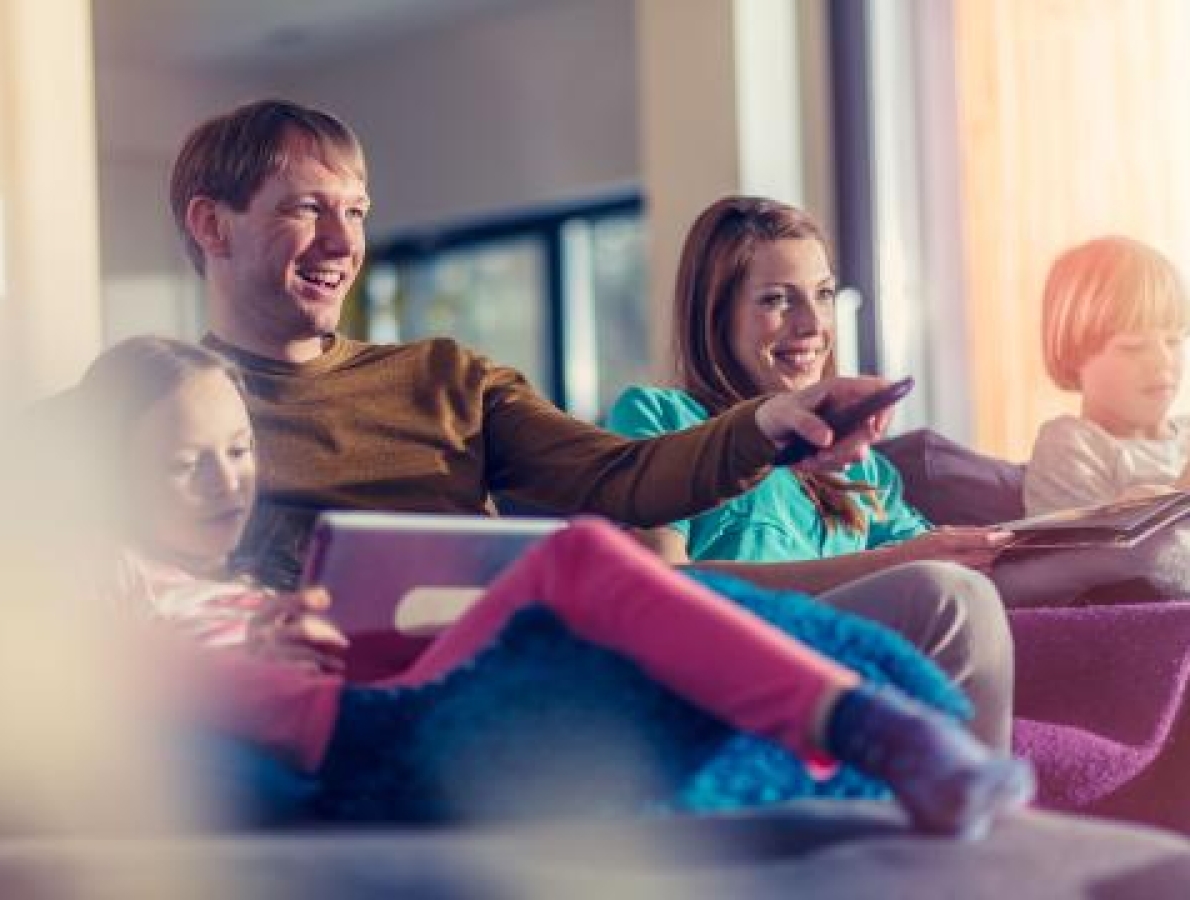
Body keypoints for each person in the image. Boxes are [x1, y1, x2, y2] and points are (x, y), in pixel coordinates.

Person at [167, 100, 1016, 751]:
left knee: (946, 600)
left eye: (354, 211)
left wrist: (766, 425)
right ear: (214, 225)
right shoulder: (160, 412)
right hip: (339, 698)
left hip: (519, 665)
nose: (341, 242)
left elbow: (624, 479)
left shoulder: (443, 379)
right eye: (305, 209)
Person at [77, 334, 1033, 837]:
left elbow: (618, 474)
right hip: (357, 735)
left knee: (612, 573)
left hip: (401, 686)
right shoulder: (106, 576)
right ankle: (881, 735)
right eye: (182, 465)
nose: (226, 483)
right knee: (580, 561)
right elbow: (105, 682)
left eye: (239, 452)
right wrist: (249, 655)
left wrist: (309, 626)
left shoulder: (253, 564)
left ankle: (891, 742)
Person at [608, 196, 1016, 746]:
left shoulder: (858, 462)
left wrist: (1108, 551)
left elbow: (970, 567)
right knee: (947, 595)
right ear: (716, 314)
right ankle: (979, 806)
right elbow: (665, 587)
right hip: (742, 654)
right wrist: (893, 562)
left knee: (961, 587)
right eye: (777, 300)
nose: (812, 326)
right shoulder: (660, 418)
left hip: (846, 664)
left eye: (822, 295)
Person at [1025, 235, 1190, 514]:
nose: (1163, 360)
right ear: (1074, 353)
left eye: (1174, 341)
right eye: (1133, 347)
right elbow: (1083, 551)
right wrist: (1177, 496)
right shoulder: (1072, 444)